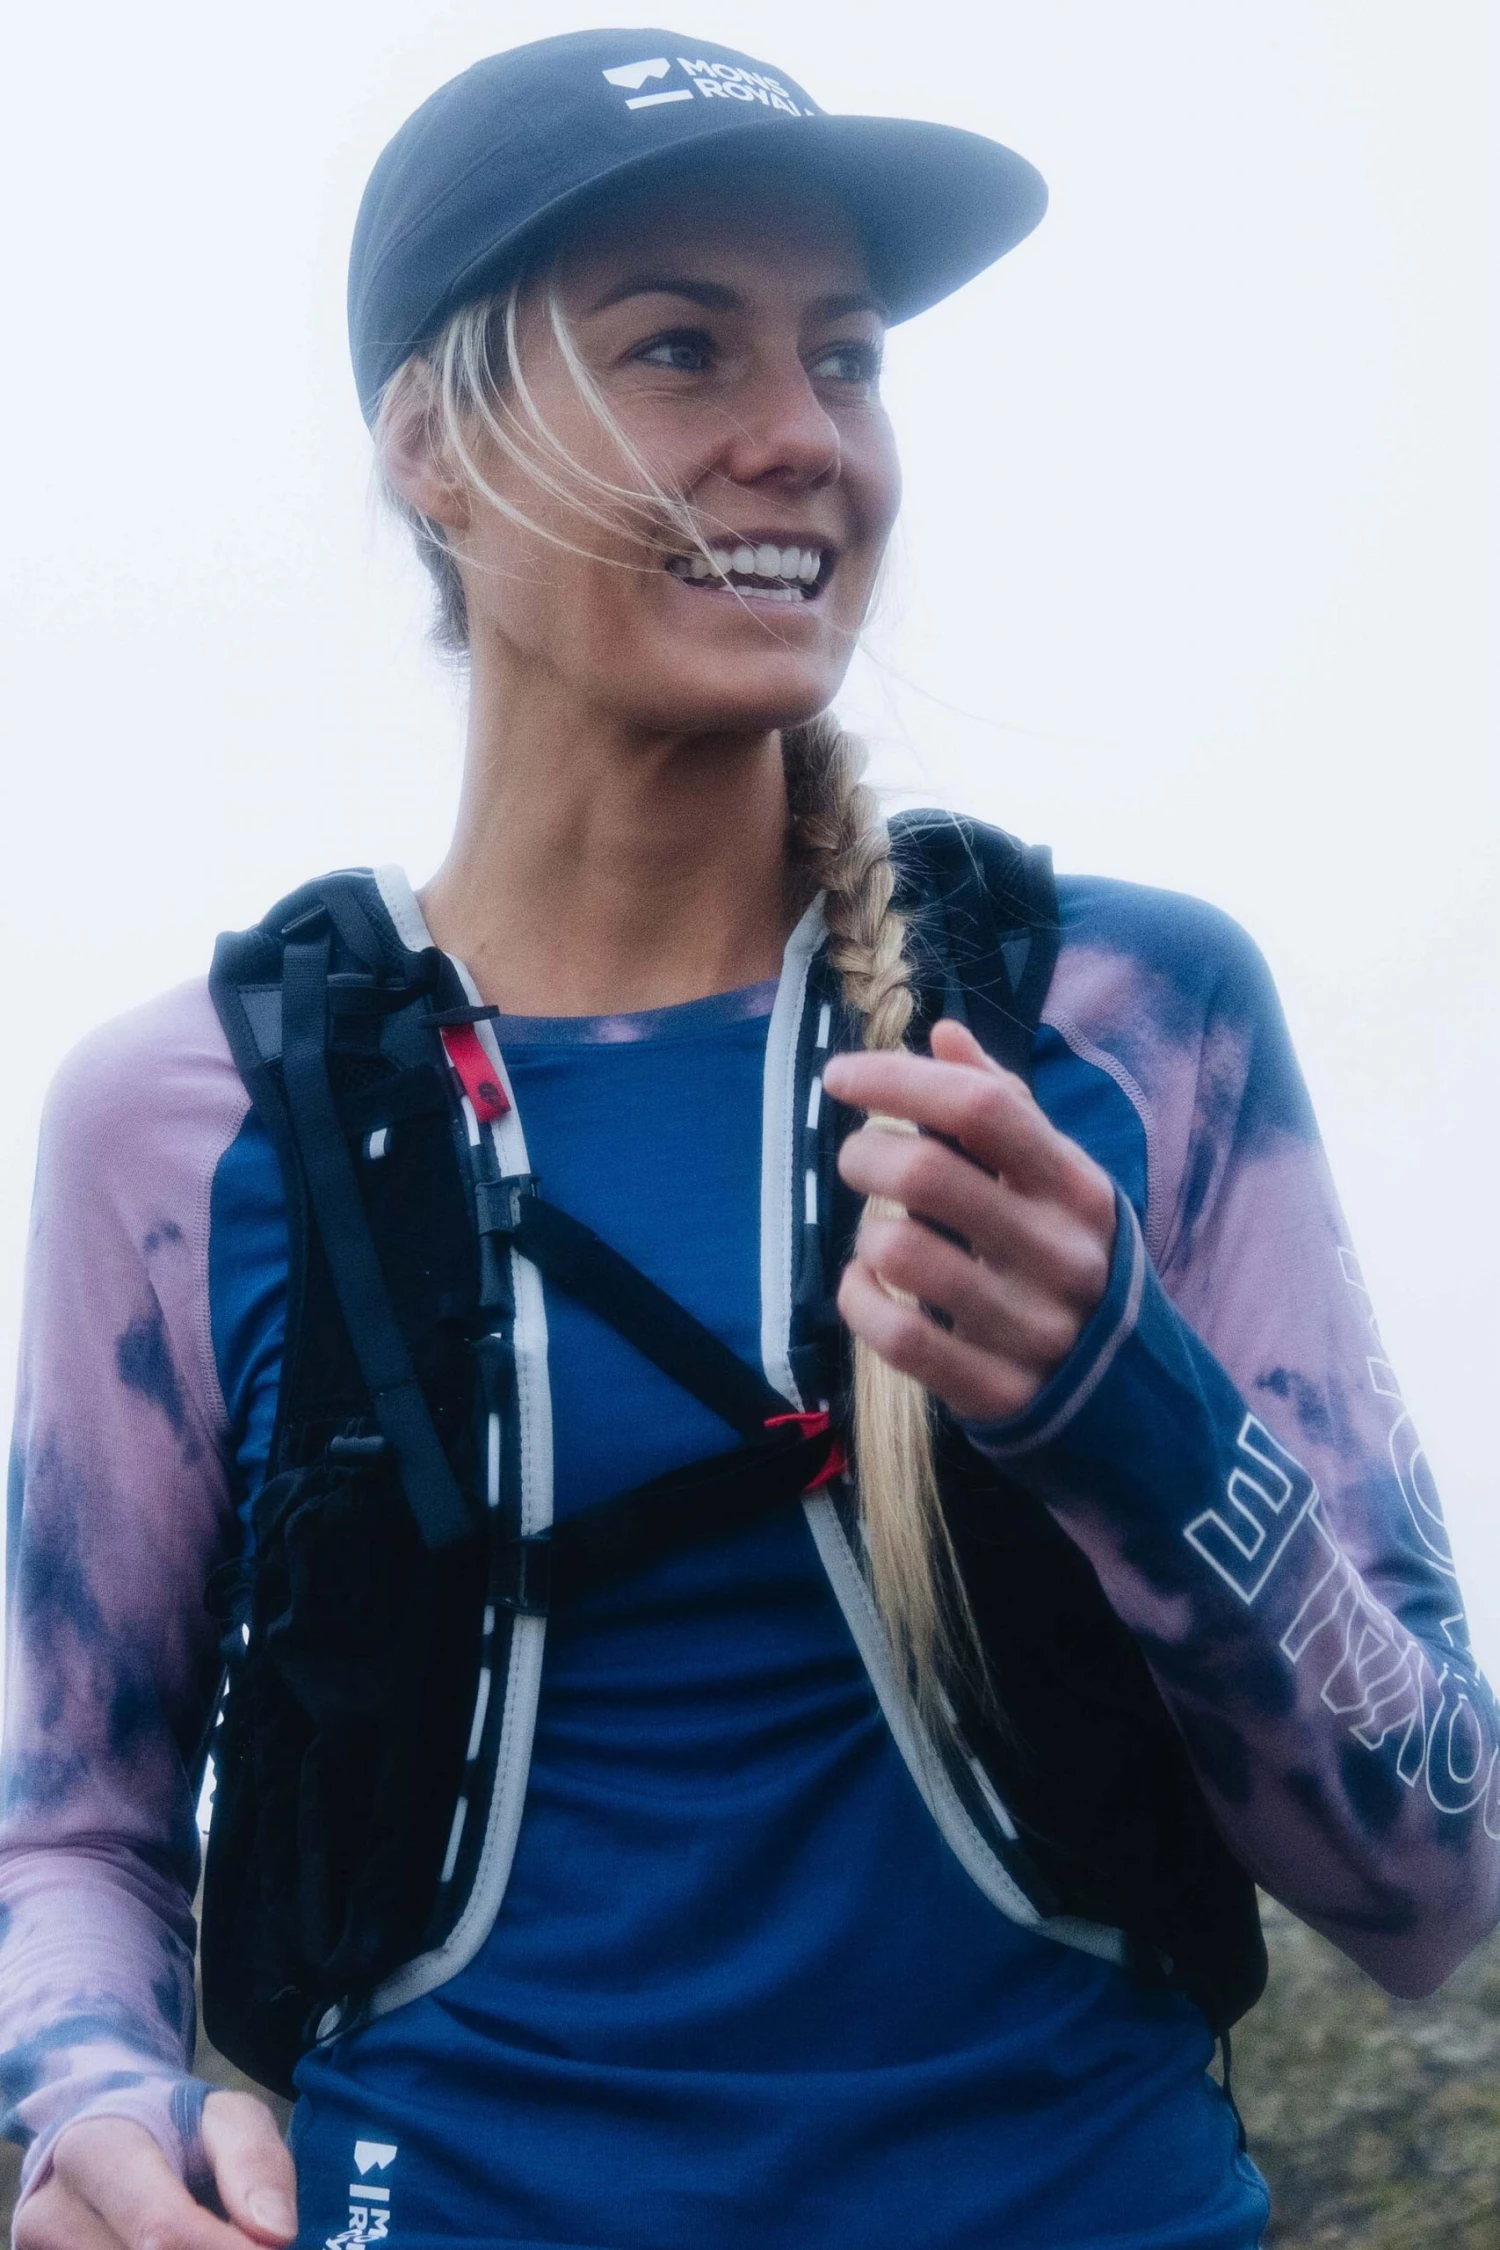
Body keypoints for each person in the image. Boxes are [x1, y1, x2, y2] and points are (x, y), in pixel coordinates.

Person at [2, 28, 1496, 2250]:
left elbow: (1436, 1869)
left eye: (848, 358)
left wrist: (1129, 1403)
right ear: (431, 443)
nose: (803, 436)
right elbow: (71, 1830)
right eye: (681, 347)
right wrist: (93, 2103)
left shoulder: (1123, 1019)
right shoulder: (194, 1117)